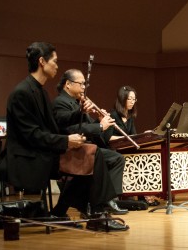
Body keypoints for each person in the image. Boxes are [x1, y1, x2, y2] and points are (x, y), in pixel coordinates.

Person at [6, 42, 85, 198]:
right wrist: (66, 141)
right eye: (54, 61)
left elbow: (53, 125)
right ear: (42, 61)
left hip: (39, 151)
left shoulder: (41, 91)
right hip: (27, 157)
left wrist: (80, 112)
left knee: (91, 155)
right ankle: (65, 210)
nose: (57, 66)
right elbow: (33, 135)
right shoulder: (22, 93)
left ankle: (63, 210)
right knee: (89, 158)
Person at [50, 68, 129, 224]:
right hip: (68, 150)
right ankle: (100, 204)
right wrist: (99, 126)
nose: (84, 87)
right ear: (68, 84)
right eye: (81, 84)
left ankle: (101, 202)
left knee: (115, 159)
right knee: (97, 159)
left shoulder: (77, 103)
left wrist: (102, 120)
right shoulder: (60, 103)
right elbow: (69, 129)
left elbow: (99, 135)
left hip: (84, 148)